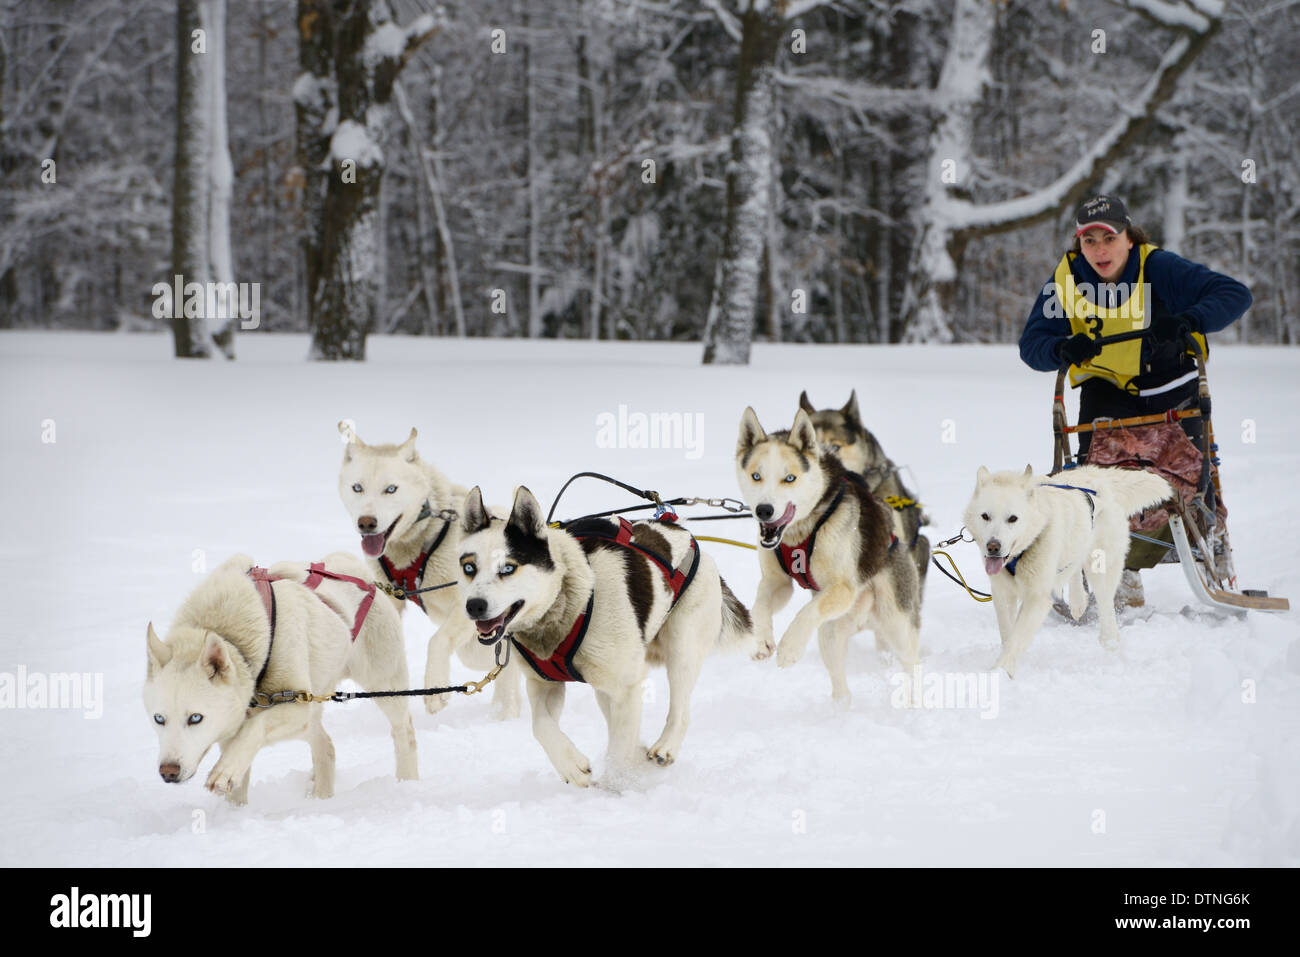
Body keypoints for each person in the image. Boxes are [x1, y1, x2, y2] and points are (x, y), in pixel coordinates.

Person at [1018, 194, 1252, 607]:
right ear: (1078, 244)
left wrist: (1188, 319)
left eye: (1109, 237)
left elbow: (1234, 295)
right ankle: (1113, 567)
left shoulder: (1158, 267)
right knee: (1098, 488)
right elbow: (1032, 345)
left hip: (1171, 387)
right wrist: (1062, 349)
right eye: (1089, 241)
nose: (1100, 250)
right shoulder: (1066, 279)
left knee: (1185, 482)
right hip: (1107, 393)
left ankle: (1209, 539)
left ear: (1128, 237)